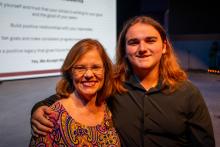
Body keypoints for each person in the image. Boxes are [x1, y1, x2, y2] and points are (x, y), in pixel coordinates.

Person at [31, 16, 215, 146]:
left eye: (150, 40)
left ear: (164, 46)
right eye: (134, 42)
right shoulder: (113, 85)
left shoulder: (188, 93)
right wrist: (39, 108)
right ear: (124, 49)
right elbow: (74, 92)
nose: (142, 48)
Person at [29, 38, 123, 146]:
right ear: (70, 72)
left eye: (96, 67)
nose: (88, 74)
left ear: (105, 71)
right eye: (80, 68)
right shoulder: (51, 118)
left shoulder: (108, 107)